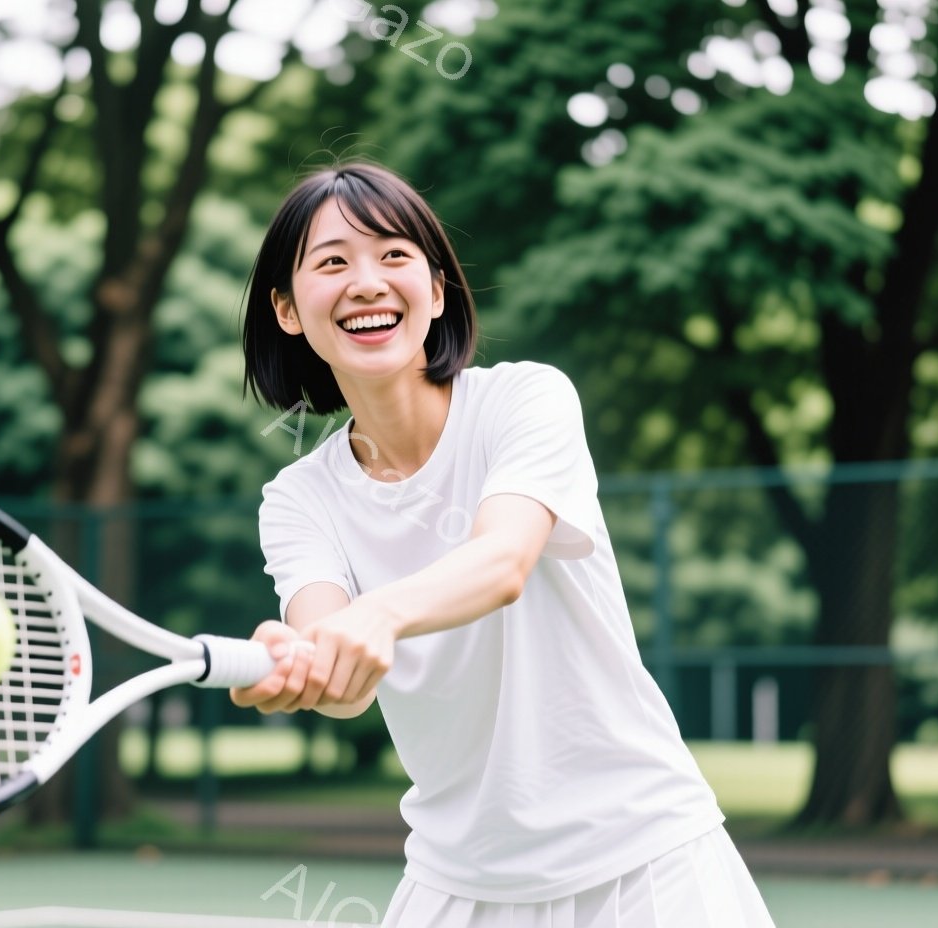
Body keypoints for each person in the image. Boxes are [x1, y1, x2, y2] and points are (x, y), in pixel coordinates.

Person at [230, 162, 775, 928]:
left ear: (437, 290)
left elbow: (502, 561)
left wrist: (376, 615)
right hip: (456, 879)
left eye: (394, 255)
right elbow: (348, 687)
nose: (367, 283)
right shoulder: (298, 500)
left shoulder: (526, 400)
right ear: (287, 310)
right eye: (332, 263)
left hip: (645, 857)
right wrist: (298, 668)